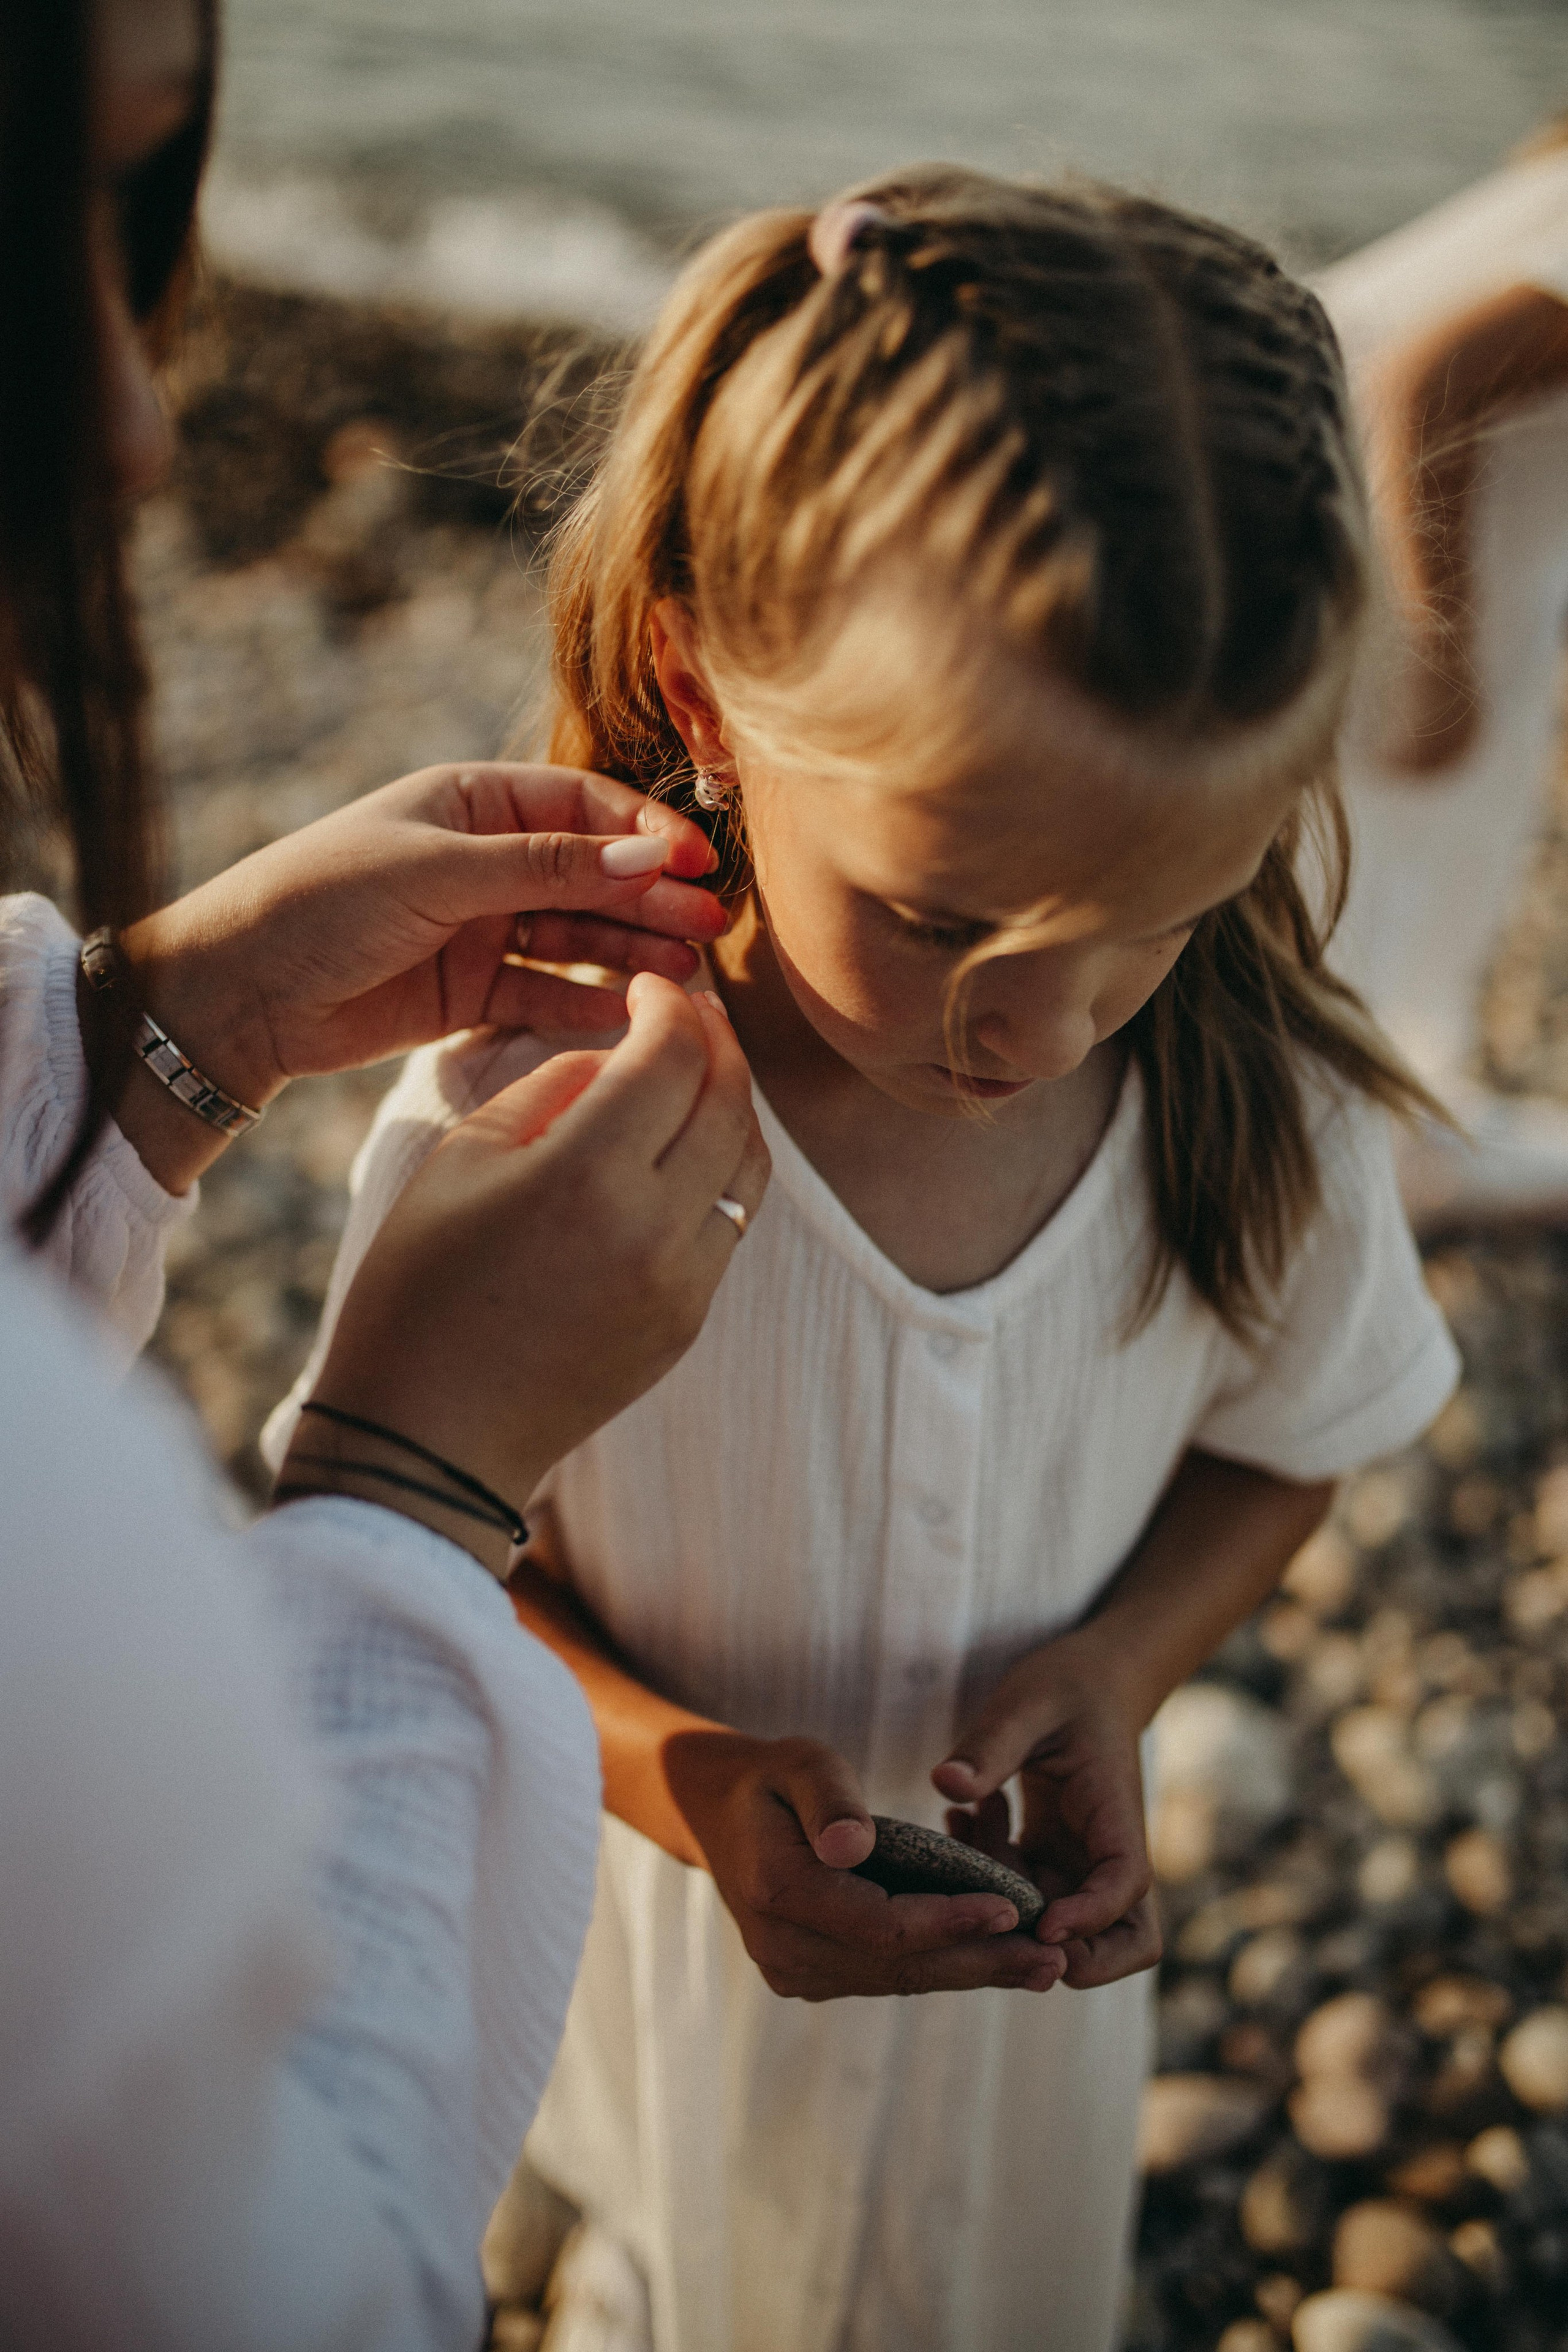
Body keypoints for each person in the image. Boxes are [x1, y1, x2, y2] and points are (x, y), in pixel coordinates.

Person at [273, 171, 1461, 2352]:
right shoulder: (543, 1121)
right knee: (663, 2262)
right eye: (944, 919)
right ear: (701, 684)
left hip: (1019, 2039)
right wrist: (687, 1778)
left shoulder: (1259, 1109)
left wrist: (1126, 1663)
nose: (1045, 1027)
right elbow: (402, 1561)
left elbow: (1297, 1439)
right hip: (659, 1946)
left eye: (1160, 914)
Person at [0, 3, 767, 2346]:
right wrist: (408, 1483)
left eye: (121, 211)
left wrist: (165, 1024)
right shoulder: (59, 1549)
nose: (134, 422)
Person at [1317, 124, 1568, 1225]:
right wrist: (1439, 644)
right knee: (1397, 827)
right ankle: (1369, 1142)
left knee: (1399, 836)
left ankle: (1383, 1119)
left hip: (1378, 509)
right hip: (1385, 530)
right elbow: (1426, 377)